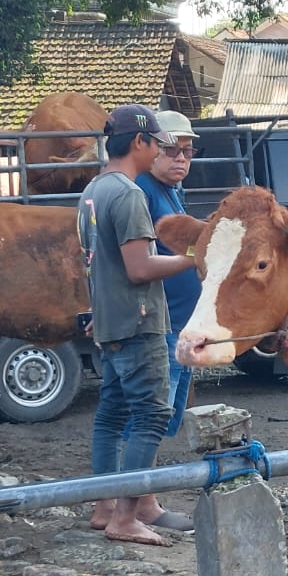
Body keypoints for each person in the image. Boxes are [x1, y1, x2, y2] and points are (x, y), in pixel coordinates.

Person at [77, 104, 195, 546]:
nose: (166, 151)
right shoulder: (128, 195)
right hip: (140, 320)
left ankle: (103, 505)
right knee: (151, 415)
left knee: (111, 415)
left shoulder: (92, 190)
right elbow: (139, 268)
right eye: (160, 143)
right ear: (141, 143)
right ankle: (127, 516)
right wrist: (196, 258)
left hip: (110, 321)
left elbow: (95, 263)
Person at [131, 111, 204, 452]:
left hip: (180, 321)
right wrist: (197, 254)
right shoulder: (142, 192)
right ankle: (135, 497)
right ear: (151, 150)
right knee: (151, 417)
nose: (181, 158)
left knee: (164, 416)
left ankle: (143, 496)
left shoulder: (172, 190)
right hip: (161, 323)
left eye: (187, 152)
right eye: (173, 150)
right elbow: (138, 261)